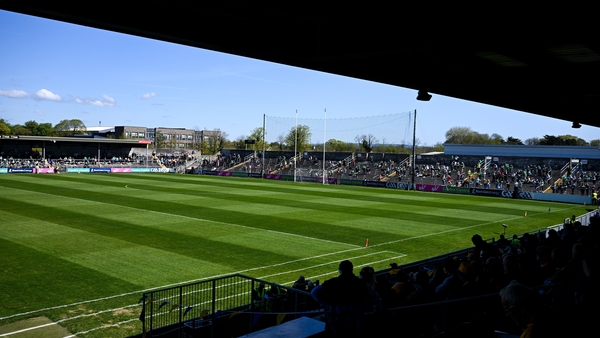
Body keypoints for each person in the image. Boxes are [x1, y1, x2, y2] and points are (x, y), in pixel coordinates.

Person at [311, 260, 370, 336]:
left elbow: (314, 292)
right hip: (354, 326)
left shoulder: (331, 283)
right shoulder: (360, 283)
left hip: (334, 326)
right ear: (351, 270)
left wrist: (324, 303)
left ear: (340, 271)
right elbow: (375, 297)